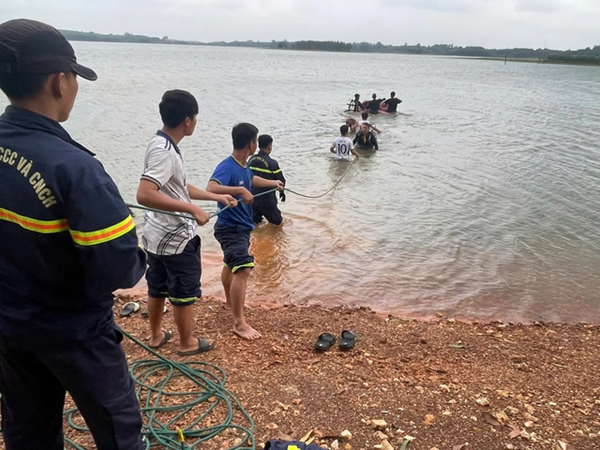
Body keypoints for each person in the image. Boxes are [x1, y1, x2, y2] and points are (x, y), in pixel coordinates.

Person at [0, 19, 147, 450]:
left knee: (28, 431)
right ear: (60, 82)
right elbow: (121, 267)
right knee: (118, 431)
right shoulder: (76, 169)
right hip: (76, 334)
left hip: (9, 328)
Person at [136, 90, 237, 356]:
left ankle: (156, 335)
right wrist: (192, 209)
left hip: (155, 235)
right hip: (175, 238)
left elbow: (176, 187)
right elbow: (145, 193)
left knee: (156, 286)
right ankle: (187, 343)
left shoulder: (159, 144)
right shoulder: (166, 152)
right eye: (195, 118)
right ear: (188, 120)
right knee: (182, 291)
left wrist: (216, 195)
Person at [206, 123, 284, 340]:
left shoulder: (244, 165)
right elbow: (211, 188)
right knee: (243, 269)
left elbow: (251, 180)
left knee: (230, 264)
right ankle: (239, 323)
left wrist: (273, 183)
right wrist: (239, 190)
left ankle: (230, 303)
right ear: (251, 143)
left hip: (241, 228)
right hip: (230, 228)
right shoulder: (228, 166)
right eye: (255, 140)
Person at [248, 134, 286, 226]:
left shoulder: (251, 160)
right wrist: (282, 193)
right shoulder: (272, 163)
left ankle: (257, 239)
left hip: (251, 197)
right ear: (269, 146)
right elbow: (281, 181)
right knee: (278, 223)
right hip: (267, 200)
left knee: (255, 222)